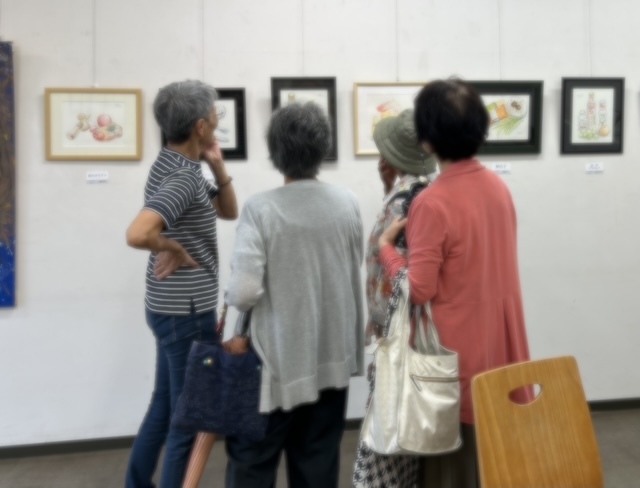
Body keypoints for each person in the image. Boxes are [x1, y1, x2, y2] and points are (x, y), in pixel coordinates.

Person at [378, 78, 530, 488]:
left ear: (426, 140)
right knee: (494, 465)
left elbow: (419, 288)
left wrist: (386, 249)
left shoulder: (432, 202)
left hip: (455, 358)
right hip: (501, 347)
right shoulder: (498, 188)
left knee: (453, 469)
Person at [223, 102, 364, 488]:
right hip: (330, 358)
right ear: (323, 148)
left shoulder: (260, 208)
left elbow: (243, 293)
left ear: (275, 151)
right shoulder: (347, 201)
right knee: (318, 465)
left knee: (252, 465)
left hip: (275, 363)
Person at [124, 79, 238, 488]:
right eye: (214, 115)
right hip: (186, 315)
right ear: (199, 126)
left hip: (167, 308)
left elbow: (228, 210)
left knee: (163, 406)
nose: (216, 120)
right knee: (186, 421)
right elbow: (138, 233)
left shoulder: (175, 164)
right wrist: (171, 245)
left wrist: (217, 165)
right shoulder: (184, 177)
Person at [352, 109, 437, 488]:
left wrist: (383, 331)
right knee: (400, 431)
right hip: (401, 333)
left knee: (388, 434)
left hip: (398, 337)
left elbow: (401, 273)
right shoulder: (417, 190)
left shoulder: (407, 200)